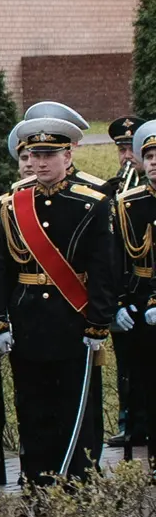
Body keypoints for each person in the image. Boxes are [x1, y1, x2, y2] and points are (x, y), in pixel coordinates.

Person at [0, 116, 119, 488]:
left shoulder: (91, 204)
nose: (40, 162)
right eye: (34, 155)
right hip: (27, 319)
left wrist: (98, 324)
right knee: (32, 405)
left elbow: (104, 270)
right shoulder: (10, 206)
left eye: (49, 154)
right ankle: (37, 482)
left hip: (72, 318)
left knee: (73, 406)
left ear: (67, 156)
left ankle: (77, 481)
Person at [107, 114, 146, 451]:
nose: (127, 156)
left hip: (147, 289)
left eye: (132, 148)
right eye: (122, 149)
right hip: (127, 291)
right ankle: (130, 421)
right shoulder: (114, 189)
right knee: (128, 363)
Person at [121, 121, 156, 458]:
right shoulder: (128, 203)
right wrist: (121, 302)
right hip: (142, 303)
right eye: (149, 156)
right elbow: (117, 259)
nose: (154, 161)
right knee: (146, 383)